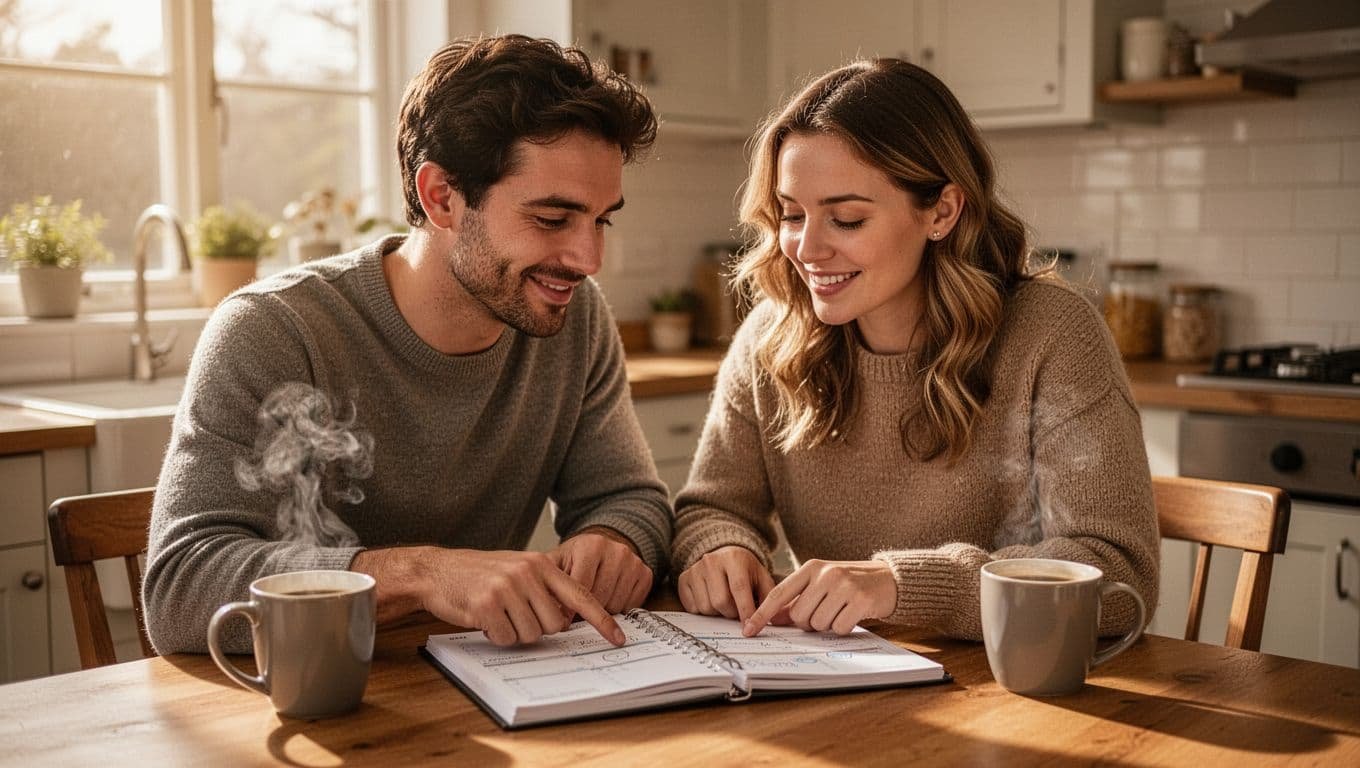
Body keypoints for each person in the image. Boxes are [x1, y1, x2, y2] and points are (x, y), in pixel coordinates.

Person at [144, 34, 672, 654]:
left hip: (482, 696)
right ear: (441, 196)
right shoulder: (274, 329)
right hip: (307, 706)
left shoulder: (572, 318)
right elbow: (180, 587)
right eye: (552, 220)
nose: (589, 259)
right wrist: (421, 575)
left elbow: (629, 497)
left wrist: (617, 540)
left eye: (601, 219)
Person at [671, 59, 1159, 641]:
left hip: (1012, 697)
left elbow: (1120, 578)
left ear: (942, 211)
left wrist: (899, 585)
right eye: (791, 215)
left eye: (846, 219)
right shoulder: (773, 337)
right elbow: (711, 508)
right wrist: (719, 547)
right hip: (842, 690)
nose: (805, 248)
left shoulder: (1052, 336)